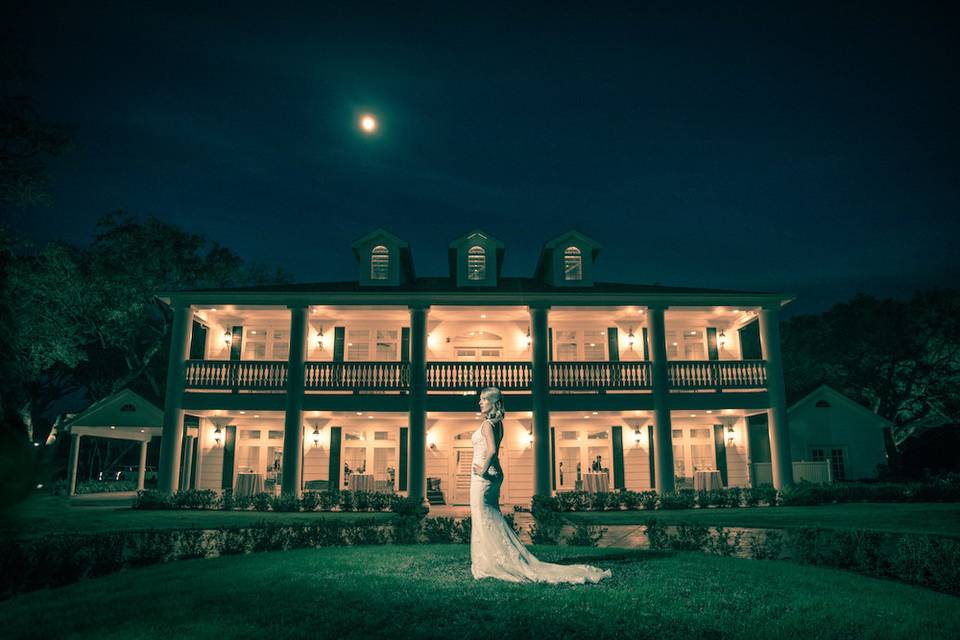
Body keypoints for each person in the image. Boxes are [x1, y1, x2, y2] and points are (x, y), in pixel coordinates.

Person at [470, 386, 612, 584]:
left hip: (483, 477)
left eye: (483, 399)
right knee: (491, 516)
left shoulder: (487, 424)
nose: (480, 402)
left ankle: (490, 562)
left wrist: (482, 470)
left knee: (483, 516)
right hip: (495, 476)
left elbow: (492, 450)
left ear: (493, 403)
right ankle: (495, 558)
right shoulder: (498, 423)